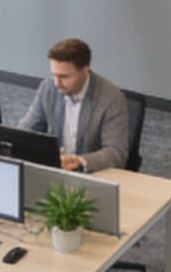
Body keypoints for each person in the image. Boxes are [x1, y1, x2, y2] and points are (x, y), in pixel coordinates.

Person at [16, 37, 132, 173]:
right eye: (54, 75)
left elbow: (116, 153)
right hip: (54, 171)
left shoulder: (111, 98)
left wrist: (79, 162)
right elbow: (24, 132)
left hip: (92, 174)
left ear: (85, 70)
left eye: (64, 77)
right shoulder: (48, 88)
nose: (57, 83)